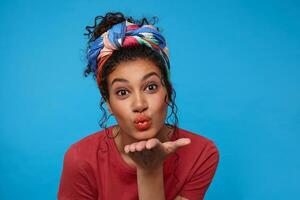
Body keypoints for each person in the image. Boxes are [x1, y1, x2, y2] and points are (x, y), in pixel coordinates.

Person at [58, 12, 219, 200]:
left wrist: (149, 170)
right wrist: (148, 168)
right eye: (122, 92)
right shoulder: (80, 160)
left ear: (167, 89)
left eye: (150, 87)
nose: (139, 105)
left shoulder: (201, 154)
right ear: (108, 102)